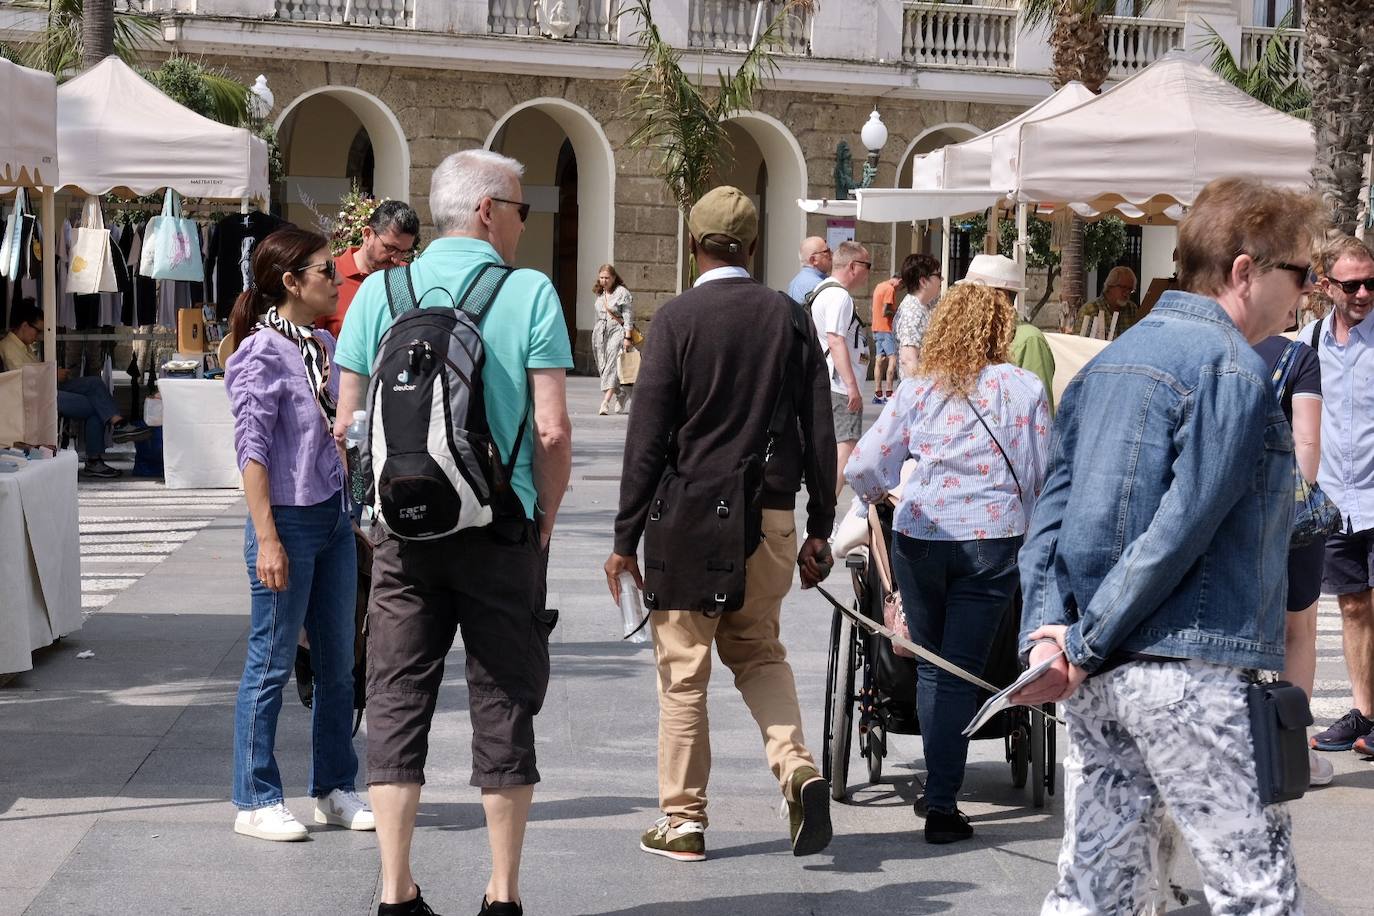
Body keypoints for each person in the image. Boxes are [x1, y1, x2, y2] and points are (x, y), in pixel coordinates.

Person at [1015, 176, 1324, 914]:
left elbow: (1048, 519)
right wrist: (1083, 642)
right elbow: (1181, 527)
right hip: (1190, 667)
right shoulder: (1231, 370)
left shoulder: (1107, 365)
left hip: (1100, 672)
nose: (1307, 295)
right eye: (1301, 274)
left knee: (1096, 885)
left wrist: (1048, 635)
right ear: (1244, 270)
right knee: (1255, 889)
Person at [333, 149, 573, 916]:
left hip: (405, 534)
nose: (524, 225)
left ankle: (393, 890)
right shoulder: (529, 291)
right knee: (502, 701)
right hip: (501, 529)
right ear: (487, 211)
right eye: (522, 210)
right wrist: (546, 515)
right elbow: (553, 429)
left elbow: (347, 424)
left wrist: (376, 513)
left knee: (398, 697)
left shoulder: (380, 291)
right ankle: (502, 895)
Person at [603, 185, 837, 864]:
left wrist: (623, 539)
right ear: (755, 246)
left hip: (689, 517)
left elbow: (646, 438)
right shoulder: (789, 318)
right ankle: (795, 767)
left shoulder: (676, 319)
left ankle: (683, 822)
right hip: (769, 514)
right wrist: (820, 520)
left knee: (684, 673)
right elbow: (818, 426)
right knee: (759, 650)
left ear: (693, 241)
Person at [845, 279, 1050, 845]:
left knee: (936, 665)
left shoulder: (918, 388)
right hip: (992, 541)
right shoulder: (1024, 388)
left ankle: (939, 793)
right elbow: (1040, 473)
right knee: (961, 664)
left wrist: (883, 492)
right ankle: (940, 803)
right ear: (999, 329)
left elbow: (863, 466)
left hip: (922, 537)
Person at [223, 227, 373, 842]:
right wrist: (268, 538)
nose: (336, 281)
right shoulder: (259, 352)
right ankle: (254, 797)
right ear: (290, 281)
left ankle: (334, 785)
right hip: (285, 519)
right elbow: (251, 452)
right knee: (271, 662)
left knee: (339, 663)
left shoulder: (320, 344)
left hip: (333, 516)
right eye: (325, 272)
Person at [1300, 235, 1374, 755]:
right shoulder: (1305, 344)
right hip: (1333, 501)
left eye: (1372, 281)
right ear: (1326, 285)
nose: (1365, 292)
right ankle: (1365, 715)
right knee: (1352, 607)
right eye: (1352, 284)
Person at [1252, 329, 1334, 786]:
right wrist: (1293, 512)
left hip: (1220, 514)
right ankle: (1292, 749)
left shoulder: (1207, 342)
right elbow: (1307, 442)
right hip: (1281, 508)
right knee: (1298, 630)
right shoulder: (1297, 356)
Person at [0, 301, 149, 478]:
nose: (39, 336)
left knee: (94, 383)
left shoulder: (23, 346)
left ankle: (117, 423)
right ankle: (96, 457)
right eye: (37, 330)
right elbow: (23, 380)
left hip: (45, 386)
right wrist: (53, 374)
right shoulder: (9, 347)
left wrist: (52, 374)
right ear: (24, 325)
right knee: (96, 407)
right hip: (36, 396)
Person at [810, 240, 871, 498]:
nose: (869, 272)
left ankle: (822, 517)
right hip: (838, 384)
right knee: (844, 450)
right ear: (853, 266)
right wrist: (851, 386)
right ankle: (824, 518)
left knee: (834, 450)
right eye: (867, 266)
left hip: (827, 380)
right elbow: (835, 339)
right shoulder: (839, 296)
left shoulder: (822, 289)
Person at [316, 200, 420, 339]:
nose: (396, 259)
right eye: (390, 248)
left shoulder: (408, 276)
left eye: (404, 251)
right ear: (367, 234)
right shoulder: (328, 275)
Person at [591, 263, 635, 415]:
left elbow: (628, 316)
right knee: (604, 366)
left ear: (614, 278)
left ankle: (605, 402)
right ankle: (621, 394)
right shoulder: (600, 294)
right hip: (601, 334)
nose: (604, 280)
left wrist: (627, 337)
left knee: (611, 364)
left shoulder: (621, 292)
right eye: (601, 277)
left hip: (617, 331)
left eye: (607, 278)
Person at [893, 253, 941, 379]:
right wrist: (921, 392)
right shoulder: (912, 312)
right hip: (918, 394)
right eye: (938, 275)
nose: (942, 280)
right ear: (923, 281)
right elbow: (908, 359)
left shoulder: (923, 307)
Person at [1078, 265, 1141, 339]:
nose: (1126, 293)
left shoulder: (1132, 309)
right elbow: (1078, 343)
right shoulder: (1090, 310)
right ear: (1110, 286)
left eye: (1130, 289)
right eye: (1123, 287)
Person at [870, 272, 901, 403]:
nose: (900, 288)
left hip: (876, 328)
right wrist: (898, 311)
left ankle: (878, 393)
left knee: (879, 360)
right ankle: (889, 393)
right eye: (901, 285)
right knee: (892, 359)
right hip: (886, 329)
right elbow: (885, 311)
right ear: (899, 280)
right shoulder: (890, 289)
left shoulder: (879, 286)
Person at [786, 236, 832, 302]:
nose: (831, 255)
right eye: (827, 251)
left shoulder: (794, 282)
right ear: (813, 260)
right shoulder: (819, 285)